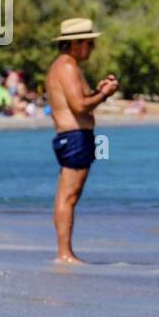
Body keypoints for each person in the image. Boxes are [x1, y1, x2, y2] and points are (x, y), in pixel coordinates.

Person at [45, 17, 118, 264]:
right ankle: (64, 253)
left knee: (65, 196)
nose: (92, 49)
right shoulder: (66, 67)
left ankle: (64, 252)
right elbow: (79, 106)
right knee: (69, 197)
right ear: (75, 44)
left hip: (73, 137)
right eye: (90, 43)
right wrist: (104, 95)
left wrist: (98, 91)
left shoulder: (66, 66)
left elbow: (80, 100)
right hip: (75, 137)